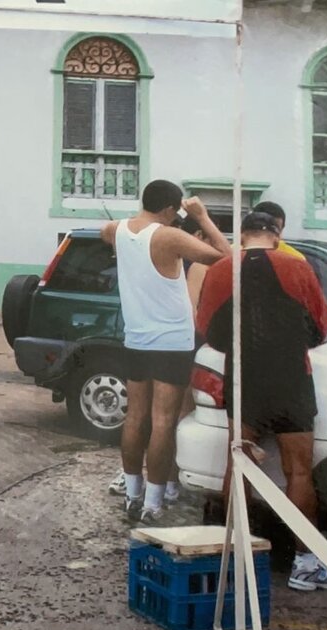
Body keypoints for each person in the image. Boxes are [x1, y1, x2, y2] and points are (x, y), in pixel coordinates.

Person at [197, 211, 327, 591]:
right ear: (277, 235)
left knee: (238, 463)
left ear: (242, 235)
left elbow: (208, 330)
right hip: (292, 377)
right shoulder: (298, 267)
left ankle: (236, 552)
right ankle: (305, 564)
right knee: (299, 471)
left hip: (245, 379)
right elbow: (321, 326)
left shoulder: (221, 269)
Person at [101, 181, 231, 524]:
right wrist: (202, 217)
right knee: (163, 422)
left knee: (135, 417)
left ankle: (132, 493)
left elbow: (111, 237)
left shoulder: (114, 230)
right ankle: (153, 503)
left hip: (137, 338)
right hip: (172, 341)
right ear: (172, 210)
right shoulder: (167, 236)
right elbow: (225, 257)